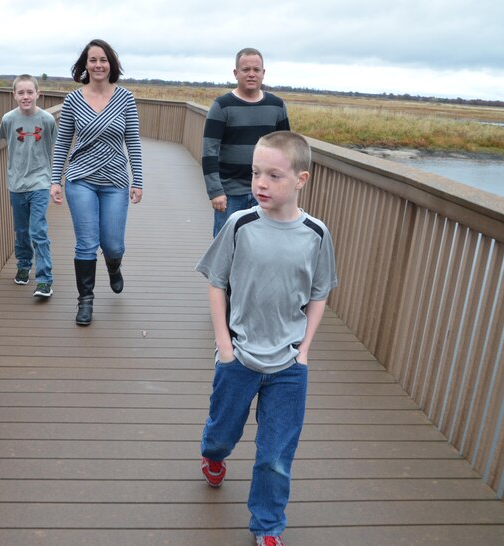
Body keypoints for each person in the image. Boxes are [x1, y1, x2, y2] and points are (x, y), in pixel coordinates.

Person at [196, 131, 337, 545]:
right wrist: (224, 345)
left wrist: (305, 349)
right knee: (223, 431)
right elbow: (216, 282)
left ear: (301, 180)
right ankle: (213, 454)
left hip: (289, 366)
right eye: (257, 172)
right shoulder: (240, 224)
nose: (261, 183)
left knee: (276, 455)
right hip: (238, 356)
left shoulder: (316, 234)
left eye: (274, 175)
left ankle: (268, 526)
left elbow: (319, 293)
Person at [50, 38, 143, 326]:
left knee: (113, 244)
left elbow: (133, 142)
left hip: (115, 180)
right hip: (81, 180)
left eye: (103, 60)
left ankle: (114, 266)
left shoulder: (125, 98)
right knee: (86, 244)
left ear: (111, 64)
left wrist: (137, 179)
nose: (98, 65)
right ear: (85, 65)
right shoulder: (73, 100)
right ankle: (85, 301)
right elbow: (63, 141)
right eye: (93, 60)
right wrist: (56, 179)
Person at [202, 47, 290, 238]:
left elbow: (286, 151)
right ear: (236, 73)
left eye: (256, 70)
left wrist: (285, 189)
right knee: (226, 249)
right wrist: (215, 191)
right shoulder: (222, 106)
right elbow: (209, 151)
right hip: (230, 193)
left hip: (266, 192)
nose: (251, 74)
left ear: (263, 73)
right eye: (246, 70)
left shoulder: (277, 106)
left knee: (264, 248)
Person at [0, 74, 57, 297]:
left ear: (38, 94)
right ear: (14, 95)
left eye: (30, 92)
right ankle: (23, 266)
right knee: (21, 230)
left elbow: (52, 147)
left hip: (40, 181)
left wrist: (53, 181)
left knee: (38, 230)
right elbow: (8, 142)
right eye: (21, 93)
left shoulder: (47, 120)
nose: (26, 97)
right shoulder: (8, 120)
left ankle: (44, 280)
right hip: (16, 183)